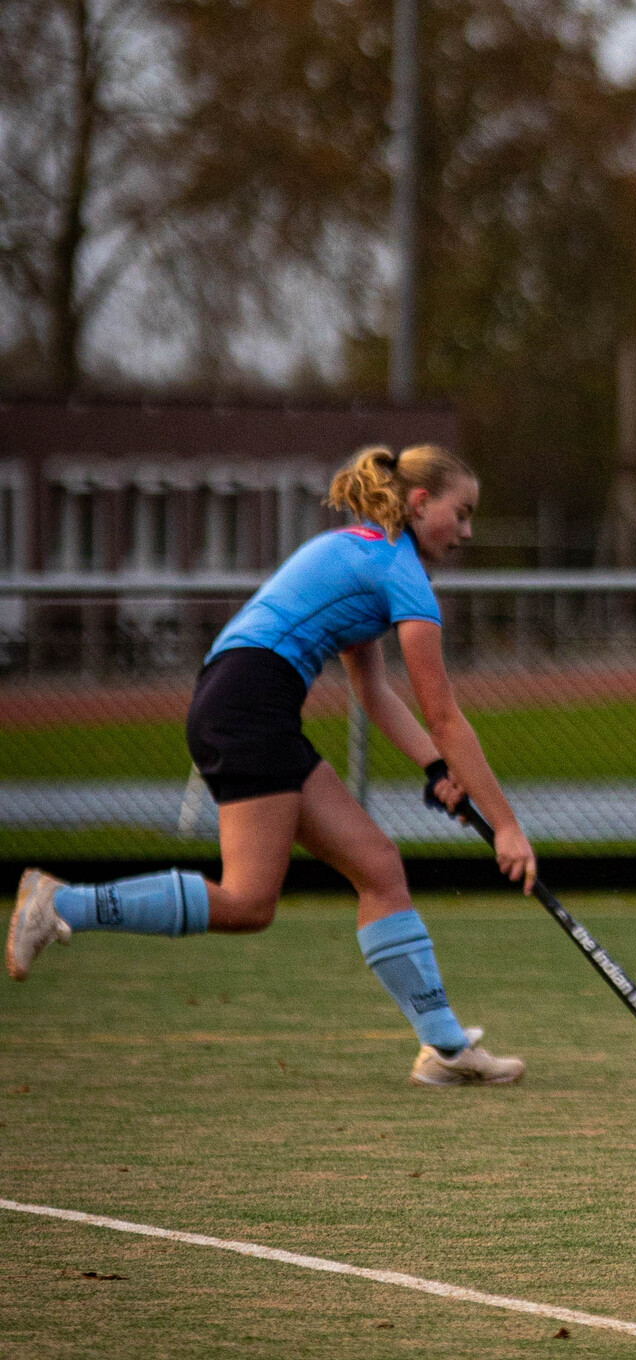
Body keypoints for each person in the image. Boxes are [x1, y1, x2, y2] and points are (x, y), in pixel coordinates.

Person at [6, 443, 537, 1087]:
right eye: (463, 512)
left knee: (378, 867)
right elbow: (446, 713)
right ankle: (64, 904)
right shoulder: (398, 572)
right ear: (422, 503)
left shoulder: (365, 551)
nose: (468, 531)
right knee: (249, 901)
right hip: (249, 702)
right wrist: (505, 825)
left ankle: (446, 1050)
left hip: (248, 700)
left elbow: (373, 693)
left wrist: (434, 771)